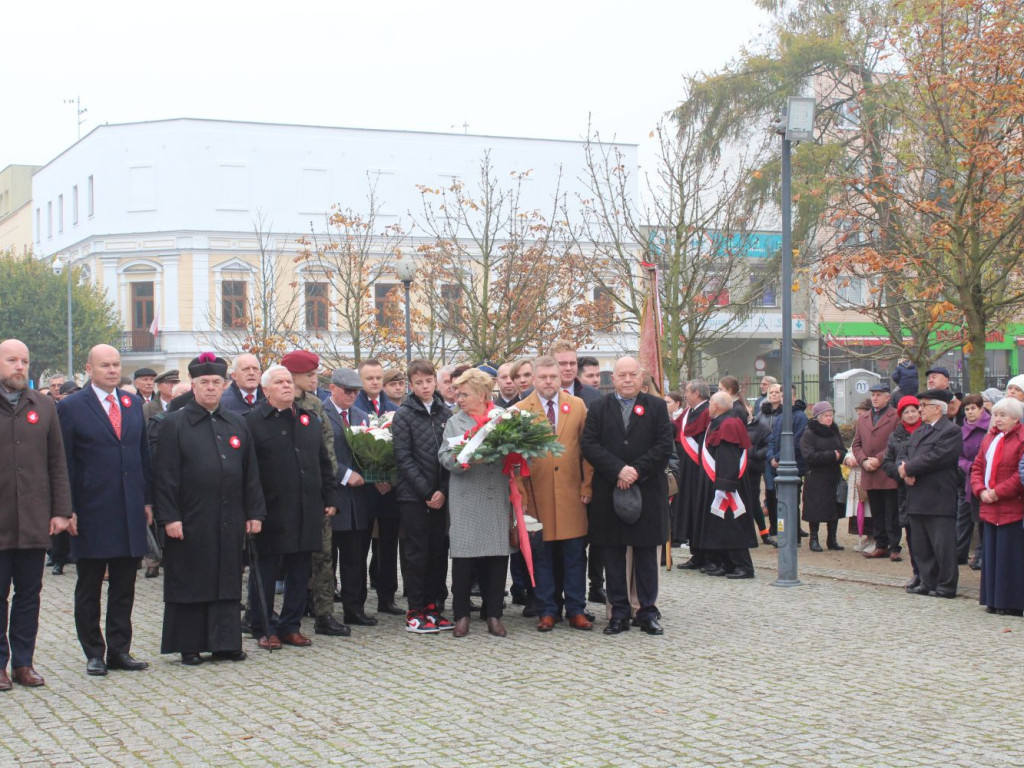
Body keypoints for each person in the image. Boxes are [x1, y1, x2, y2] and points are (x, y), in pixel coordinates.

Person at [153, 353, 266, 665]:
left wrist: (255, 513)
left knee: (227, 578)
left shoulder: (237, 423)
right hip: (190, 517)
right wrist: (169, 517)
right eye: (204, 382)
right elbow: (164, 475)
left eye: (217, 382)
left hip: (230, 516)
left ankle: (224, 642)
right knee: (191, 579)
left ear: (225, 384)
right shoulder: (174, 423)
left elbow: (251, 472)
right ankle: (189, 644)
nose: (211, 388)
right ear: (193, 385)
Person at [58, 344, 153, 677]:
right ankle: (93, 652)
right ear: (89, 369)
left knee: (124, 586)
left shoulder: (132, 403)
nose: (112, 370)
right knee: (90, 586)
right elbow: (64, 462)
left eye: (116, 364)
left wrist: (147, 500)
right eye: (105, 365)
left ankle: (119, 650)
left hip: (129, 508)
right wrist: (67, 508)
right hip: (91, 510)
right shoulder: (71, 407)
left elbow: (143, 455)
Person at [246, 365, 338, 649]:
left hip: (307, 507)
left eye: (288, 381)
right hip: (271, 509)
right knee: (266, 570)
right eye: (279, 382)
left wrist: (330, 497)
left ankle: (290, 625)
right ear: (266, 390)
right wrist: (252, 509)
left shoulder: (309, 419)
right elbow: (248, 472)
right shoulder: (252, 422)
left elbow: (323, 461)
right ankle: (263, 627)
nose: (287, 386)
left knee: (300, 570)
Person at [581, 356, 674, 635]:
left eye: (633, 374)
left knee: (646, 555)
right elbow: (589, 445)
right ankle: (618, 613)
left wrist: (636, 471)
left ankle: (647, 612)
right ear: (613, 379)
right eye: (622, 375)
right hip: (609, 491)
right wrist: (618, 470)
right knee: (613, 555)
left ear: (641, 377)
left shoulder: (657, 407)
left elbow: (664, 446)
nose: (628, 380)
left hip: (647, 491)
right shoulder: (599, 408)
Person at [0, 339, 72, 689]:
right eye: (12, 360)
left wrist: (61, 510)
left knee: (29, 595)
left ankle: (23, 663)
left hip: (33, 518)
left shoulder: (43, 405)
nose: (19, 366)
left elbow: (57, 461)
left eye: (24, 360)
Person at [517, 356, 594, 632]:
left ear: (561, 377)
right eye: (543, 377)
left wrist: (587, 486)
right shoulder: (520, 410)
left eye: (553, 377)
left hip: (572, 494)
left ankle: (576, 609)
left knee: (574, 556)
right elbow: (516, 460)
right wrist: (521, 496)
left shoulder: (577, 406)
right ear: (534, 379)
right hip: (537, 496)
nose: (549, 382)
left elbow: (587, 450)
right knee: (543, 556)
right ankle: (547, 610)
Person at [438, 369, 513, 637]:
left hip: (495, 495)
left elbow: (518, 453)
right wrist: (463, 459)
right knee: (463, 560)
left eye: (465, 394)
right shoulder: (454, 422)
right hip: (466, 497)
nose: (459, 399)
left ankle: (494, 615)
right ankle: (461, 615)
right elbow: (444, 456)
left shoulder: (503, 418)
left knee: (496, 558)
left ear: (482, 395)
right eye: (457, 394)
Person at [279, 349, 341, 630]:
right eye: (309, 375)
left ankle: (324, 613)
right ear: (292, 376)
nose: (315, 379)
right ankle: (260, 614)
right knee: (278, 559)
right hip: (284, 497)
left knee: (323, 555)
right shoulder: (275, 404)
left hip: (315, 494)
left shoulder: (315, 405)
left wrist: (330, 491)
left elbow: (327, 451)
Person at [391, 359, 453, 634]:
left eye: (429, 381)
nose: (425, 386)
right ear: (411, 385)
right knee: (417, 553)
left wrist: (443, 490)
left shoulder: (445, 413)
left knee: (438, 553)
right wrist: (427, 492)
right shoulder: (403, 415)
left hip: (441, 494)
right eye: (419, 382)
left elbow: (451, 453)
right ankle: (415, 610)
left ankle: (432, 607)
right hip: (413, 497)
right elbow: (403, 458)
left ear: (435, 381)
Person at [323, 368, 373, 631]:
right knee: (326, 559)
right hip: (331, 496)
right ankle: (323, 611)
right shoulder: (319, 414)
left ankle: (355, 609)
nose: (353, 396)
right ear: (333, 388)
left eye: (356, 392)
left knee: (356, 558)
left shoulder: (362, 416)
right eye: (348, 391)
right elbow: (320, 454)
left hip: (358, 499)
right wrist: (345, 474)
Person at [900, 389, 963, 599]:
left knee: (942, 544)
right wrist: (903, 469)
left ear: (937, 408)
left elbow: (937, 457)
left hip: (938, 496)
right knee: (921, 544)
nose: (919, 410)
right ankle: (928, 581)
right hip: (917, 495)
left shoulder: (950, 431)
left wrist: (909, 468)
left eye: (923, 405)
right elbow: (906, 453)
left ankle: (946, 585)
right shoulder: (919, 432)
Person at [353, 358, 402, 616]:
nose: (375, 382)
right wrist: (371, 475)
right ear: (360, 380)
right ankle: (357, 600)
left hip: (390, 490)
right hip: (364, 489)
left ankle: (387, 597)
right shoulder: (355, 407)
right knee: (359, 547)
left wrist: (390, 477)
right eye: (369, 378)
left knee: (388, 546)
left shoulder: (393, 408)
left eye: (378, 378)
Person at [971, 398, 1024, 615]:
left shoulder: (1021, 439)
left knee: (1009, 556)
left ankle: (1010, 602)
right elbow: (977, 466)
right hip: (989, 504)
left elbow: (1019, 475)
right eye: (996, 415)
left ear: (1016, 419)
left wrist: (997, 492)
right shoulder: (990, 438)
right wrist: (980, 490)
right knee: (992, 555)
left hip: (1011, 505)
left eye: (1003, 415)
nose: (998, 419)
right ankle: (992, 599)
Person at [697, 392, 759, 579]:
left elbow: (728, 457)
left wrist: (725, 484)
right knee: (721, 525)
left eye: (710, 404)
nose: (708, 407)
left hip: (729, 484)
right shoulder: (721, 421)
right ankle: (728, 563)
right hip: (720, 481)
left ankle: (744, 566)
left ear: (715, 405)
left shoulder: (729, 424)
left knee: (734, 525)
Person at [850, 383, 901, 561]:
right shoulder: (863, 418)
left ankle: (894, 547)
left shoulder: (896, 416)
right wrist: (863, 460)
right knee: (876, 511)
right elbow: (856, 444)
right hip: (869, 471)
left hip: (887, 472)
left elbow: (895, 442)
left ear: (888, 397)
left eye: (879, 395)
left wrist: (878, 459)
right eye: (873, 395)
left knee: (891, 512)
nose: (875, 398)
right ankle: (881, 545)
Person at [882, 396, 924, 590]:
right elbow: (887, 462)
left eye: (914, 411)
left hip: (926, 487)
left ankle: (928, 573)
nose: (911, 415)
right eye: (906, 412)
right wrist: (901, 474)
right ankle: (917, 572)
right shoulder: (895, 436)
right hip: (905, 491)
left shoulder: (926, 431)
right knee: (911, 534)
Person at [800, 401, 846, 552]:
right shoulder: (809, 433)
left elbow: (842, 450)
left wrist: (840, 455)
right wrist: (832, 455)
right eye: (826, 415)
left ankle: (832, 539)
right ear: (818, 417)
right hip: (816, 477)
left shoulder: (834, 430)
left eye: (831, 415)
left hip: (833, 475)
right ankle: (814, 539)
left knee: (834, 508)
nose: (829, 418)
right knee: (815, 509)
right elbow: (809, 456)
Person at [675, 381, 712, 566]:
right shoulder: (688, 412)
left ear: (697, 393)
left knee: (699, 512)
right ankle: (696, 554)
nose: (684, 395)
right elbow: (675, 429)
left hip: (700, 471)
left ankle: (706, 556)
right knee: (689, 512)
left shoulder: (707, 412)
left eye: (687, 391)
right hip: (686, 470)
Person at [959, 394, 990, 571]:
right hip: (970, 478)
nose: (970, 412)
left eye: (973, 408)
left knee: (985, 519)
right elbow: (958, 456)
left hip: (988, 478)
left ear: (981, 409)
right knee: (973, 517)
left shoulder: (990, 427)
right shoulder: (962, 430)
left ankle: (982, 554)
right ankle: (974, 553)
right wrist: (969, 466)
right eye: (967, 409)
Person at [757, 384, 783, 544]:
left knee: (784, 493)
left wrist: (778, 456)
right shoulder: (761, 414)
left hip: (782, 456)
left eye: (777, 392)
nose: (774, 395)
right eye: (771, 392)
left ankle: (785, 525)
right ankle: (773, 525)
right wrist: (767, 455)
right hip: (767, 458)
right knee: (770, 491)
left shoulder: (785, 413)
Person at [548, 339, 602, 407]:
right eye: (562, 363)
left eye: (572, 363)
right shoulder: (538, 395)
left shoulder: (594, 395)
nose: (568, 368)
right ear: (550, 365)